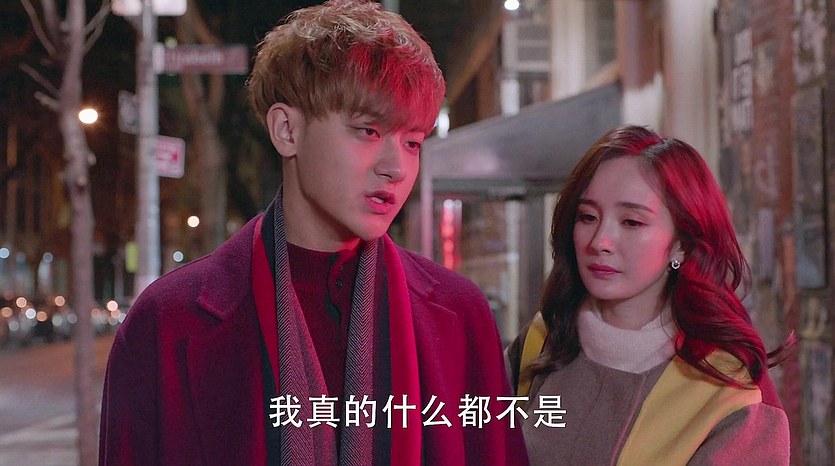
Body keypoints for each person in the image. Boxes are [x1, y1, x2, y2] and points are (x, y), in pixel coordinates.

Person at [99, 1, 528, 464]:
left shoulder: (460, 315)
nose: (396, 167)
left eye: (412, 142)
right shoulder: (167, 322)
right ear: (287, 130)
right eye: (367, 131)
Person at [507, 125, 791, 465]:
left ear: (682, 243)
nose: (600, 242)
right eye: (588, 217)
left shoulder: (729, 392)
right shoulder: (542, 341)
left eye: (631, 222)